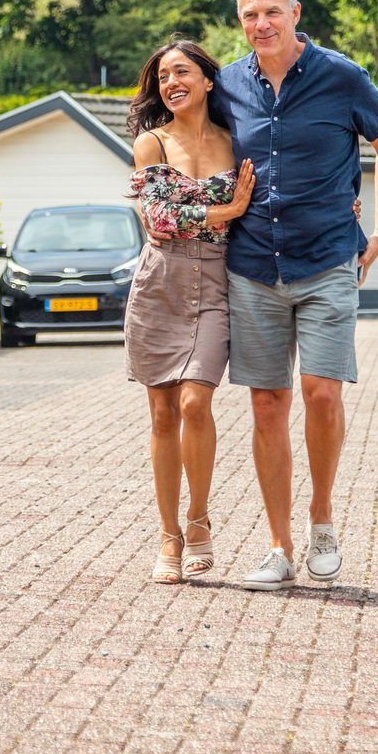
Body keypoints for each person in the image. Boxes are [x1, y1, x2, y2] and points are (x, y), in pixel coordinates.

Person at [207, 0, 378, 591]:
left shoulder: (343, 77)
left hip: (326, 261)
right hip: (252, 266)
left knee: (322, 391)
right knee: (267, 404)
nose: (260, 23)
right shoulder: (226, 86)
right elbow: (186, 134)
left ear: (295, 13)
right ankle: (278, 545)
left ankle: (321, 518)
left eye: (271, 11)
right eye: (249, 15)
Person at [124, 37, 255, 584]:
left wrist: (344, 200)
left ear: (207, 79)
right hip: (160, 285)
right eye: (161, 78)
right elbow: (159, 220)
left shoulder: (236, 140)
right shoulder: (150, 143)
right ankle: (168, 534)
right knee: (161, 414)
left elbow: (274, 195)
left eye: (181, 72)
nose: (170, 83)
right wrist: (230, 207)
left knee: (196, 403)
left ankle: (199, 520)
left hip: (217, 284)